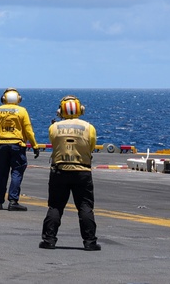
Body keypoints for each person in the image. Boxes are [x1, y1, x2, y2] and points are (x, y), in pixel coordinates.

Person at [39, 95, 100, 251]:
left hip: (60, 170)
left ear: (61, 110)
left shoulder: (54, 127)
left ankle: (49, 240)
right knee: (85, 207)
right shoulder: (89, 127)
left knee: (55, 206)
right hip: (82, 170)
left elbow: (53, 143)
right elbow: (91, 146)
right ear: (80, 109)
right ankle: (89, 242)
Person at [0, 87, 38, 211]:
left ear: (4, 98)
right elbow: (28, 130)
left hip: (1, 145)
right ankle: (13, 201)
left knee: (0, 174)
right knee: (16, 172)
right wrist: (35, 146)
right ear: (18, 98)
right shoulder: (22, 111)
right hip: (17, 146)